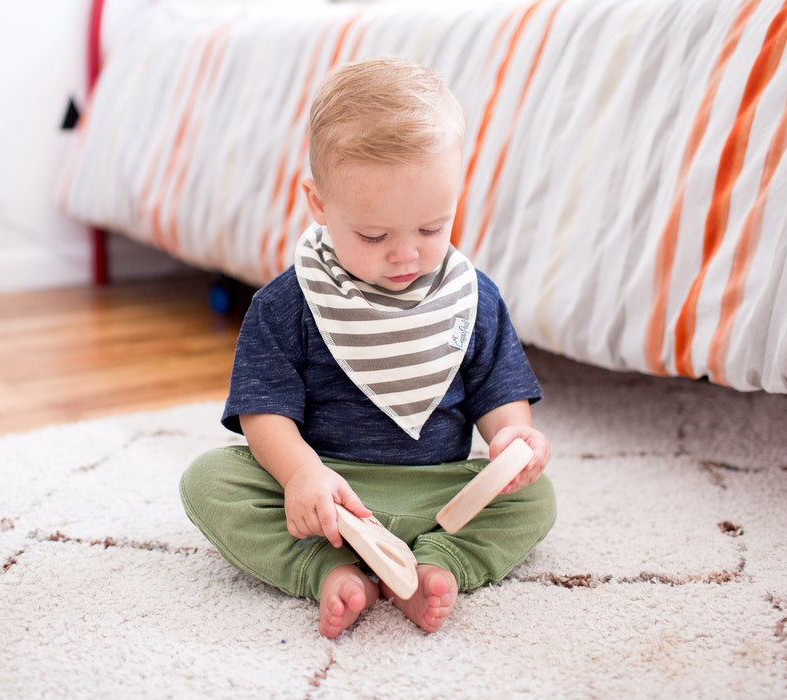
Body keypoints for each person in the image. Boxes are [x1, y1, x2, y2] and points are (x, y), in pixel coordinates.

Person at [180, 56, 555, 639]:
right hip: (331, 497)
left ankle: (437, 563)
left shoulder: (472, 297)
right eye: (375, 235)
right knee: (209, 481)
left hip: (439, 487)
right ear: (320, 203)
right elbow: (264, 413)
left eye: (432, 228)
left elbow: (497, 391)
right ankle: (325, 569)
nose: (406, 255)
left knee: (536, 499)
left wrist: (511, 438)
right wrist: (302, 474)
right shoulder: (288, 303)